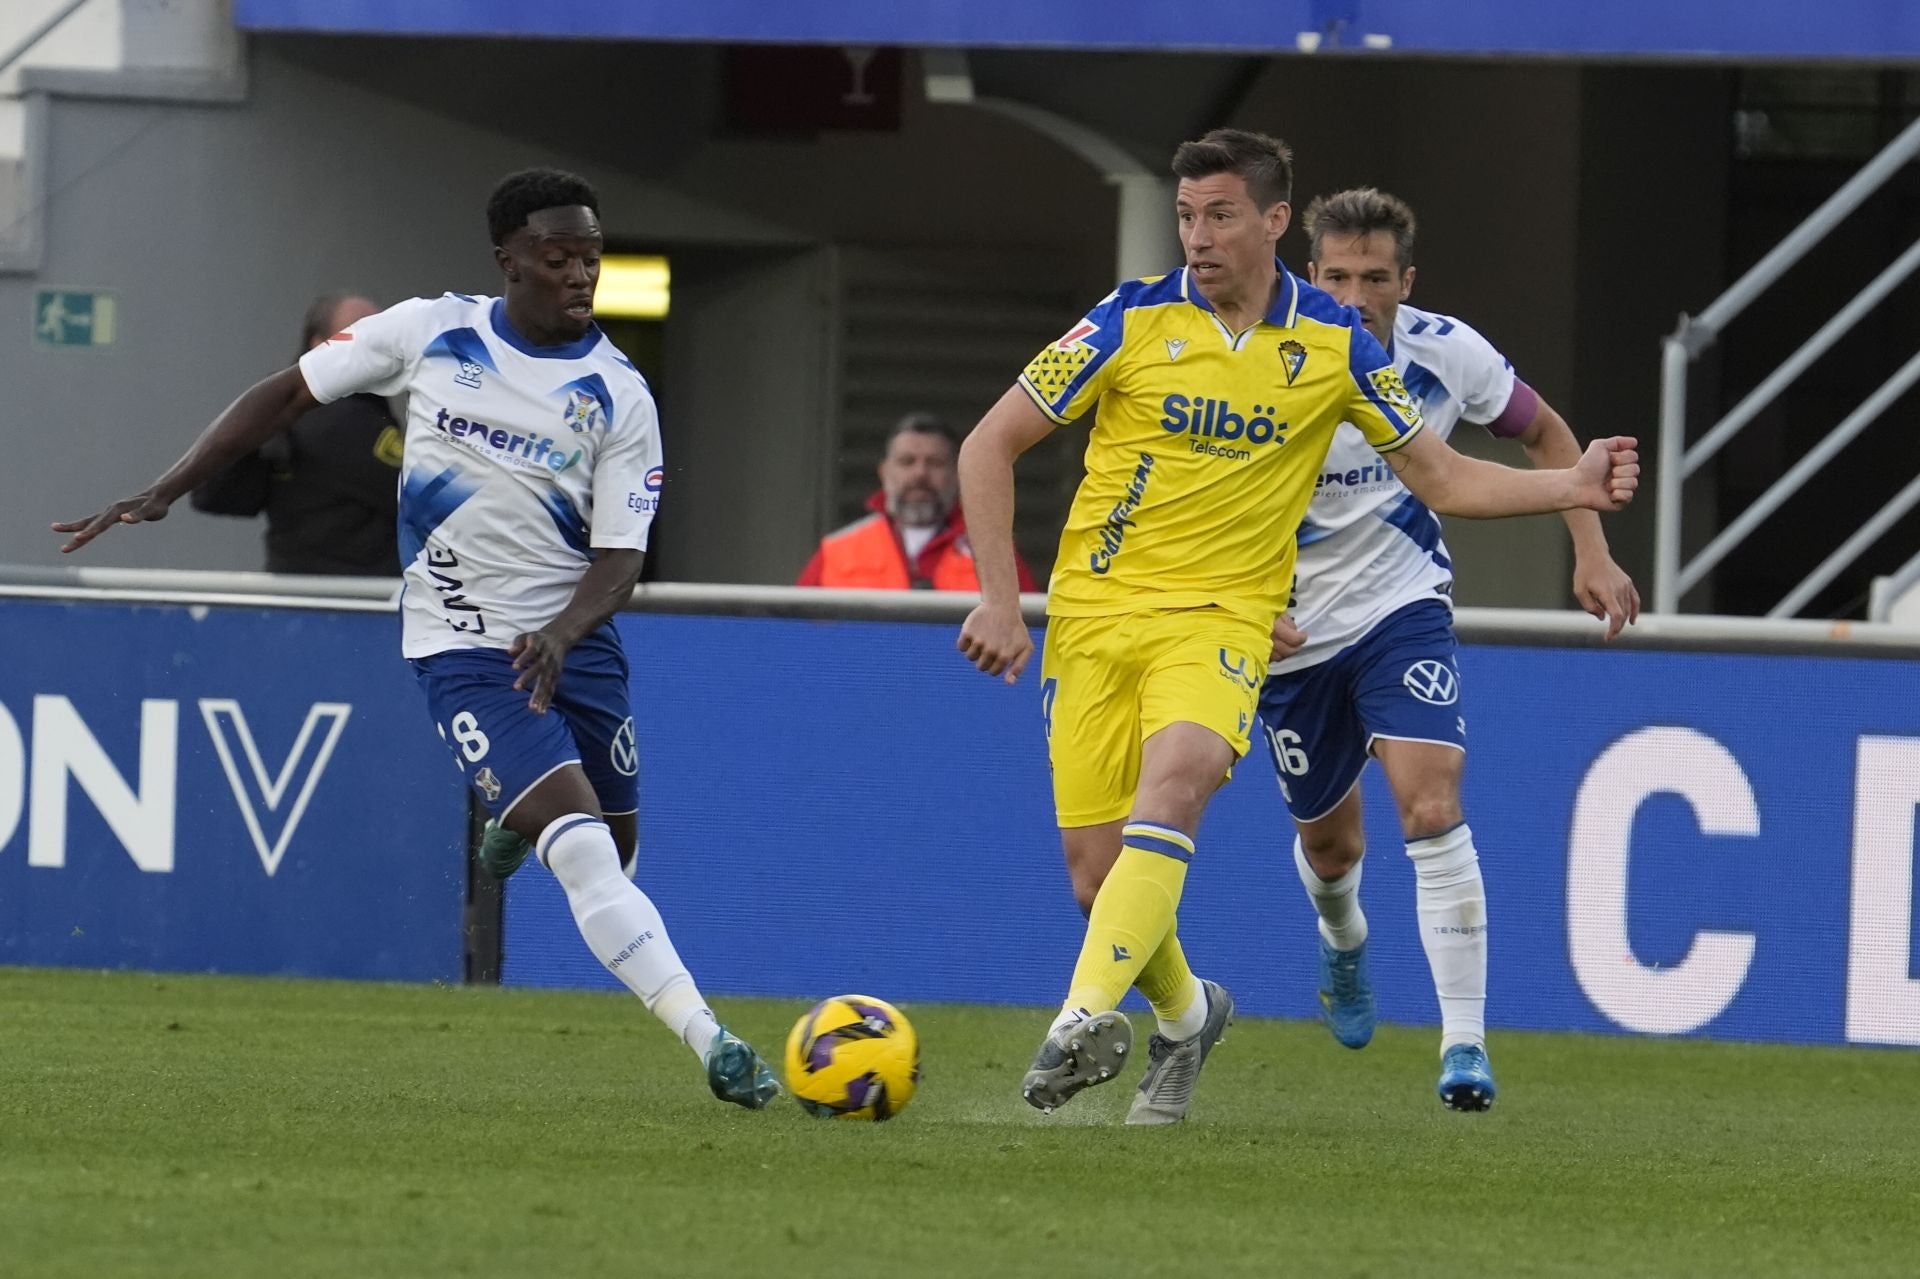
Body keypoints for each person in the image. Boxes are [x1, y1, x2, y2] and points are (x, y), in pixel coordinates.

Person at [52, 168, 780, 1111]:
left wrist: (562, 632)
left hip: (572, 641)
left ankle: (510, 826)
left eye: (591, 258)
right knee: (586, 852)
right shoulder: (431, 330)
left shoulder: (618, 395)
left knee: (624, 845)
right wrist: (168, 485)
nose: (579, 274)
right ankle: (712, 1040)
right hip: (463, 645)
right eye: (557, 257)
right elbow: (284, 395)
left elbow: (619, 561)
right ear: (507, 261)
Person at [954, 129, 1638, 1125]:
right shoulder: (1129, 320)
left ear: (1275, 221)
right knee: (1097, 875)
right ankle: (1188, 1018)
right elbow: (990, 443)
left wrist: (1567, 490)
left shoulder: (1334, 344)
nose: (1198, 236)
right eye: (1186, 215)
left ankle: (1080, 1019)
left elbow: (1441, 475)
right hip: (1100, 617)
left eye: (1221, 214)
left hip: (1230, 621)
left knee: (1184, 779)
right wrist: (998, 597)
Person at [1259, 187, 1639, 1111]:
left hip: (1401, 605)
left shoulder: (1444, 351)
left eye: (1376, 277)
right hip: (1291, 631)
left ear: (1407, 280)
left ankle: (1463, 1045)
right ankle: (1343, 938)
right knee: (1332, 844)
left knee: (1430, 803)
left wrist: (1591, 549)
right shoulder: (1267, 358)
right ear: (1311, 275)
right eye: (1339, 276)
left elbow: (1546, 431)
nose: (1357, 295)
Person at [190, 293, 405, 576]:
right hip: (358, 603)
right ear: (320, 345)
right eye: (361, 333)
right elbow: (424, 502)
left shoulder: (281, 411)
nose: (378, 345)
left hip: (294, 595)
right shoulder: (350, 420)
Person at [796, 412, 1039, 591]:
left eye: (935, 463)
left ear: (957, 475)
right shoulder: (838, 551)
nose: (920, 473)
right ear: (884, 471)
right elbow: (793, 637)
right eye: (907, 461)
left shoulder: (992, 550)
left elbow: (1027, 636)